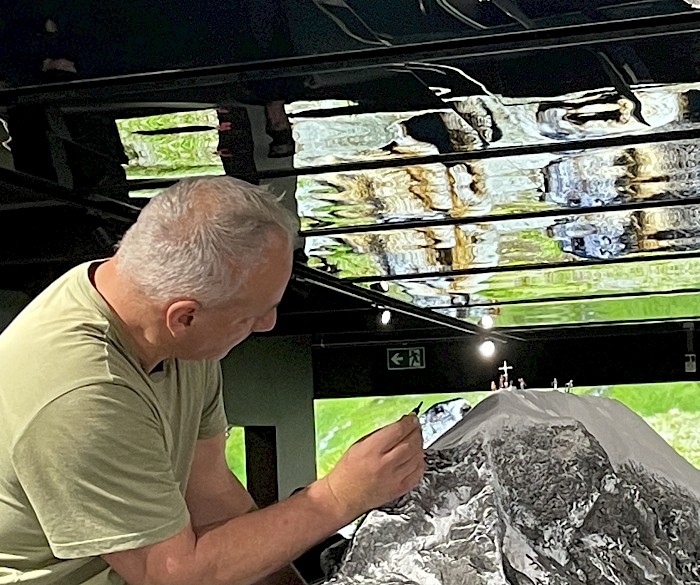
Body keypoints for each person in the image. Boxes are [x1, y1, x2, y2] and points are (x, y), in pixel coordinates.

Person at [0, 176, 425, 585]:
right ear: (184, 316)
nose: (267, 323)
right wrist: (339, 497)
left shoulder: (170, 326)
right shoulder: (82, 393)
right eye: (249, 316)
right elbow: (170, 573)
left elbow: (210, 494)